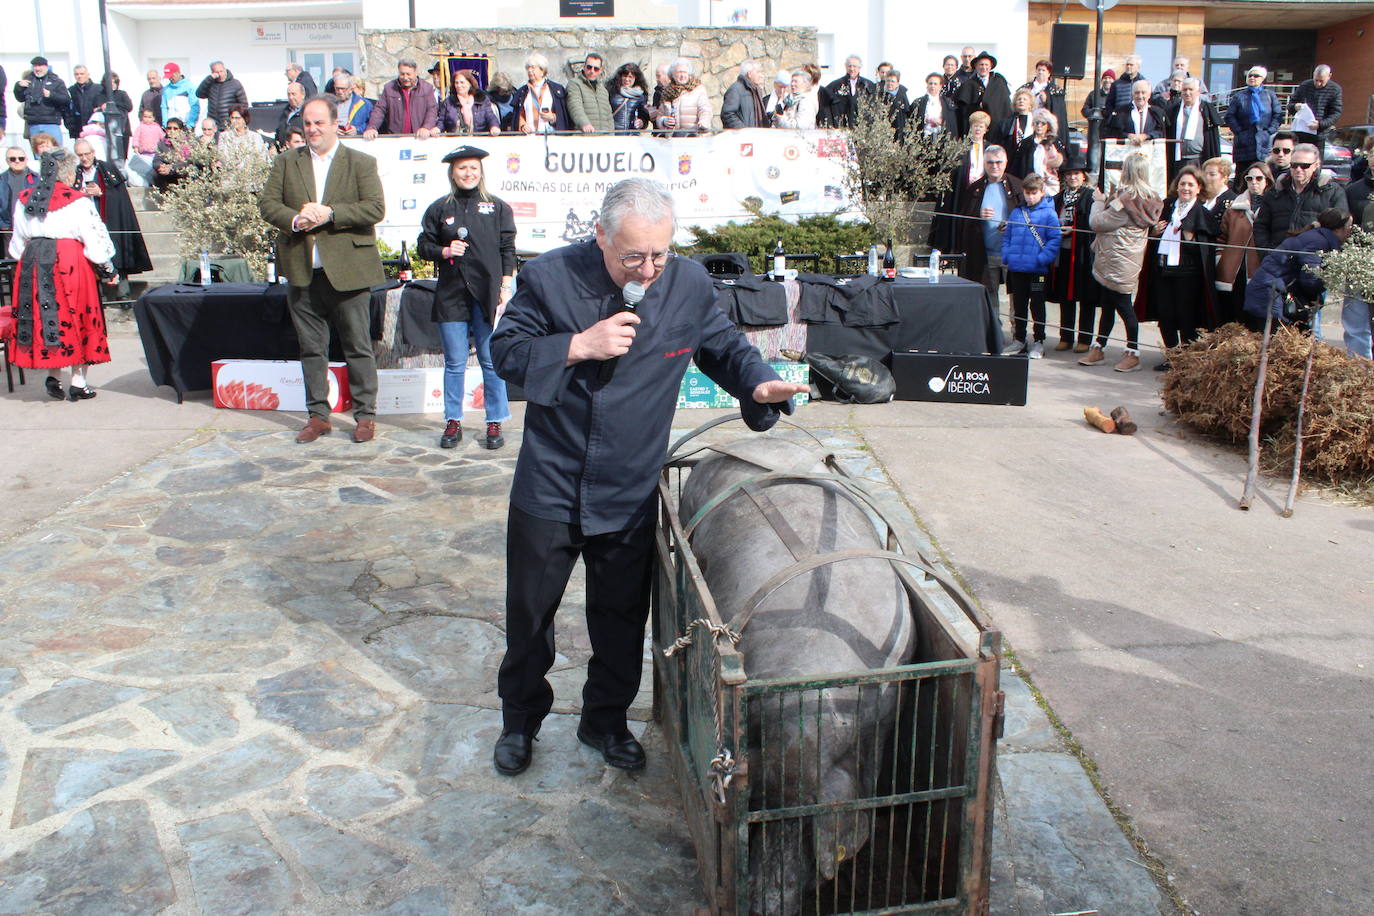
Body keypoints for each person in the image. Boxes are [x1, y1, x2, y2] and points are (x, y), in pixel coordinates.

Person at [487, 177, 805, 776]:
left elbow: (724, 347)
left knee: (620, 619)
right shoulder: (549, 277)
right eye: (633, 255)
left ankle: (603, 719)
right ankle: (519, 720)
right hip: (551, 482)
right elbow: (506, 354)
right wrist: (578, 345)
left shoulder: (685, 284)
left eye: (660, 252)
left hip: (631, 486)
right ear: (600, 235)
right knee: (529, 617)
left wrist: (758, 382)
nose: (649, 267)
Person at [259, 94, 385, 444]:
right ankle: (318, 416)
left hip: (349, 270)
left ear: (335, 124)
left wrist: (331, 214)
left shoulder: (360, 162)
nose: (312, 129)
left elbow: (374, 208)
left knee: (357, 346)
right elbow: (268, 205)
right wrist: (297, 220)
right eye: (307, 124)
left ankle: (365, 416)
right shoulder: (287, 162)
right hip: (302, 270)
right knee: (311, 348)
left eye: (319, 123)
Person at [416, 145, 516, 451]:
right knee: (455, 362)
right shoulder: (439, 208)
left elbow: (507, 248)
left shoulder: (498, 207)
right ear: (452, 172)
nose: (468, 173)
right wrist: (444, 251)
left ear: (481, 171)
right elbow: (423, 245)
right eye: (462, 168)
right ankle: (453, 421)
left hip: (487, 295)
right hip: (451, 295)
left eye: (473, 168)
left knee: (490, 361)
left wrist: (505, 286)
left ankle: (494, 420)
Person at [5, 149, 117, 400]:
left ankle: (54, 376)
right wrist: (108, 268)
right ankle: (78, 382)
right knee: (78, 315)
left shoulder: (24, 199)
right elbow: (95, 241)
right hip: (69, 261)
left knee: (48, 317)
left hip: (33, 261)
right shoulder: (77, 200)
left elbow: (16, 246)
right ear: (68, 172)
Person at [1078, 153, 1162, 372]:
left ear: (1128, 172)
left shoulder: (1126, 202)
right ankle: (1099, 347)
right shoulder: (1149, 199)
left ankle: (1133, 353)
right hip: (1127, 259)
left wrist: (1097, 202)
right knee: (1108, 304)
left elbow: (1096, 223)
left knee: (1124, 308)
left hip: (1117, 261)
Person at [1149, 165, 1216, 366]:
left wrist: (1191, 239)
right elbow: (1153, 238)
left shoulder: (1201, 212)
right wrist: (1153, 233)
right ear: (1176, 187)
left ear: (1198, 188)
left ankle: (1186, 358)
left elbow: (1206, 250)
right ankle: (1172, 355)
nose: (1186, 188)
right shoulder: (1167, 206)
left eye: (1190, 185)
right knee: (1165, 314)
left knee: (1186, 316)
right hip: (1163, 269)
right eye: (1182, 184)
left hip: (1188, 273)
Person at [73, 138, 152, 300]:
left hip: (110, 219)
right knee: (92, 258)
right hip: (87, 224)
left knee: (118, 253)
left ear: (93, 153)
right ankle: (97, 295)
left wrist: (101, 192)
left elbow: (119, 196)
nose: (84, 158)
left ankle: (123, 293)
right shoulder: (75, 173)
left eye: (87, 154)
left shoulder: (107, 169)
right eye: (80, 155)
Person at [1244, 209, 1351, 323]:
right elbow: (1310, 279)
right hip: (1270, 292)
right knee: (1273, 337)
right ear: (1339, 229)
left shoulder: (1318, 237)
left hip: (1271, 290)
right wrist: (1328, 281)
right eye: (1349, 227)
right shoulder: (1319, 242)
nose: (1351, 231)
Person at [1000, 174, 1062, 357]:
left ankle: (1039, 340)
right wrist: (1007, 256)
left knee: (1037, 305)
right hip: (1017, 268)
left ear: (1041, 192)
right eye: (1027, 193)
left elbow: (1054, 240)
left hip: (1037, 271)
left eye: (1034, 193)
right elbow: (1008, 237)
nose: (1030, 197)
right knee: (1018, 306)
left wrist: (1041, 259)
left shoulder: (1049, 214)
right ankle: (1019, 339)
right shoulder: (1017, 212)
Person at [1252, 143, 1348, 252]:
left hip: (1315, 258)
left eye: (1304, 166)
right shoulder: (1276, 192)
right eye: (1294, 165)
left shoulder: (1332, 191)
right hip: (1278, 257)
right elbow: (1261, 226)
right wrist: (1266, 253)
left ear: (1316, 165)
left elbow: (1340, 226)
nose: (1298, 169)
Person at [1047, 151, 1098, 352]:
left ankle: (1085, 338)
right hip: (1063, 252)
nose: (1072, 177)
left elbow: (1094, 224)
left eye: (1076, 173)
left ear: (1083, 175)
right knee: (1064, 296)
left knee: (1086, 297)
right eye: (1069, 174)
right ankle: (1066, 336)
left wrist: (1075, 230)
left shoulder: (1091, 196)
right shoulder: (1058, 198)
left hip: (1084, 253)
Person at [959, 144, 1024, 296]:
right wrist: (977, 214)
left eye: (998, 162)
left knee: (1018, 296)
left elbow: (1031, 217)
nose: (994, 166)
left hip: (1013, 253)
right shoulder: (975, 189)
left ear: (1006, 163)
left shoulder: (1018, 186)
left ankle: (1016, 321)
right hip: (985, 254)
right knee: (988, 296)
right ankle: (993, 321)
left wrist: (1013, 226)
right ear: (984, 164)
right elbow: (962, 221)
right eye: (990, 162)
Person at [1216, 162, 1272, 328]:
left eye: (1259, 178)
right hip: (1235, 271)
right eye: (1250, 178)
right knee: (1237, 317)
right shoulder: (1234, 208)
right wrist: (1220, 260)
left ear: (1267, 180)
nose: (1254, 182)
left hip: (1261, 270)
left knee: (1257, 319)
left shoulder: (1273, 205)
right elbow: (1222, 237)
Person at [1225, 66, 1282, 175]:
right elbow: (1229, 116)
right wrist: (1239, 132)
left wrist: (1269, 131)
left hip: (1264, 143)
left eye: (1256, 76)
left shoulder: (1269, 95)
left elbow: (1278, 115)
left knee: (1262, 175)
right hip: (1244, 144)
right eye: (1250, 75)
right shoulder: (1239, 96)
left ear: (1262, 78)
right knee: (1242, 177)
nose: (1252, 78)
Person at [1163, 78, 1221, 182]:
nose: (1187, 93)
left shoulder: (1206, 109)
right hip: (1178, 160)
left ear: (1198, 91)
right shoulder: (1173, 110)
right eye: (1184, 90)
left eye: (1191, 89)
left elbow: (1213, 136)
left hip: (1199, 160)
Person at [364, 59, 439, 139]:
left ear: (416, 73)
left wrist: (426, 127)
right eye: (402, 74)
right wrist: (372, 127)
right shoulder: (389, 88)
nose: (405, 77)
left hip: (419, 138)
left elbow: (432, 110)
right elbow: (379, 110)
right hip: (396, 138)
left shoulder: (427, 88)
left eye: (408, 74)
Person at [1289, 65, 1342, 156]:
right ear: (1313, 75)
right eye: (1316, 80)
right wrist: (1295, 107)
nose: (1318, 84)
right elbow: (1290, 105)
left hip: (1319, 134)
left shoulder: (1335, 89)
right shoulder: (1305, 85)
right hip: (1300, 131)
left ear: (1329, 76)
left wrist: (1320, 124)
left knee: (1315, 162)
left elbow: (1336, 113)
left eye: (1321, 81)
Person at [511, 53, 570, 135]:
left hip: (551, 138)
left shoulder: (556, 89)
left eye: (533, 67)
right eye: (528, 68)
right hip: (529, 138)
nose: (529, 70)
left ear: (542, 70)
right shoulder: (522, 92)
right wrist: (522, 125)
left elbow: (564, 116)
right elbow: (520, 115)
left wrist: (553, 118)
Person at [13, 57, 70, 143]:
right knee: (38, 153)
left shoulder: (56, 81)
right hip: (33, 123)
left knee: (56, 151)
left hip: (51, 123)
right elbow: (20, 98)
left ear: (46, 66)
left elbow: (66, 99)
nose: (37, 68)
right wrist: (18, 87)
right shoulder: (28, 81)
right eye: (35, 66)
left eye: (40, 66)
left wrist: (51, 95)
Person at [652, 59, 712, 135]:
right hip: (673, 139)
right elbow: (660, 116)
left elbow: (705, 110)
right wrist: (664, 121)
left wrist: (703, 123)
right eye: (679, 72)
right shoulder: (667, 92)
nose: (682, 75)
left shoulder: (698, 90)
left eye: (685, 72)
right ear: (672, 75)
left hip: (694, 137)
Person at [955, 51, 1012, 130]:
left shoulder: (999, 81)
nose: (984, 67)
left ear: (991, 66)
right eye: (981, 64)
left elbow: (1005, 105)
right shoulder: (969, 84)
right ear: (976, 66)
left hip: (996, 127)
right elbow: (964, 110)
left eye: (986, 65)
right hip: (977, 128)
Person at [439, 69, 501, 136]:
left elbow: (491, 117)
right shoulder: (448, 102)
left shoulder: (482, 100)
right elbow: (441, 121)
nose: (459, 85)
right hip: (456, 141)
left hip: (479, 140)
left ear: (470, 84)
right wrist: (437, 129)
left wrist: (494, 127)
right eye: (456, 83)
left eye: (462, 82)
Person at [0, 148, 38, 254]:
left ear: (26, 159)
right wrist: (3, 224)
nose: (17, 161)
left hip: (31, 226)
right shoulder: (1, 179)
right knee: (12, 262)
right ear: (7, 161)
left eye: (21, 158)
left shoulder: (37, 179)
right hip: (9, 228)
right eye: (13, 159)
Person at [821, 55, 874, 128]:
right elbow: (825, 105)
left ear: (859, 68)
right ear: (845, 67)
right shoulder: (835, 86)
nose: (852, 69)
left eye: (854, 66)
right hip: (842, 126)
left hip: (862, 127)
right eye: (849, 66)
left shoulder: (868, 85)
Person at [566, 53, 613, 134]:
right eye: (589, 67)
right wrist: (584, 124)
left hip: (604, 139)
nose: (592, 71)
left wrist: (612, 135)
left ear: (600, 70)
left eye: (596, 69)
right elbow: (575, 106)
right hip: (584, 137)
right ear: (584, 67)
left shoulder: (603, 90)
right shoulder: (574, 84)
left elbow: (609, 116)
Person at [196, 61, 248, 133]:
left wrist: (236, 120)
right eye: (217, 72)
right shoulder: (210, 84)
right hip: (213, 124)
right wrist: (209, 78)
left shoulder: (235, 84)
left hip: (228, 124)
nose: (220, 74)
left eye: (221, 71)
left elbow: (244, 105)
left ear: (225, 70)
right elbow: (199, 94)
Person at [1010, 109, 1062, 180]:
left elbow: (1062, 164)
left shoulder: (1055, 142)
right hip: (1031, 182)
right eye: (1036, 123)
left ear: (1048, 126)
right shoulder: (1026, 142)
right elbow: (1018, 165)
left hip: (1049, 181)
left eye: (1043, 123)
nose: (1039, 126)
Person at [1020, 59, 1068, 134]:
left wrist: (1046, 101)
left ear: (1049, 73)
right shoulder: (1026, 87)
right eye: (1039, 70)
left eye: (1043, 70)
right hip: (1028, 122)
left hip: (1044, 124)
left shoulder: (1055, 90)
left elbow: (1058, 112)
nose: (1040, 72)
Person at [720, 61, 767, 129]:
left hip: (756, 136)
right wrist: (743, 130)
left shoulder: (756, 90)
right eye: (758, 72)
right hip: (742, 138)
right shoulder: (735, 90)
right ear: (749, 74)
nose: (761, 75)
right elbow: (727, 114)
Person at [64, 66, 106, 141]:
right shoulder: (71, 90)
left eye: (82, 74)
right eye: (77, 74)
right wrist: (70, 126)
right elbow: (67, 110)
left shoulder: (99, 89)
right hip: (78, 130)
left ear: (88, 74)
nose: (79, 76)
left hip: (96, 130)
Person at [152, 118, 192, 191]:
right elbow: (156, 160)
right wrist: (161, 166)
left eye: (175, 129)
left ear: (180, 130)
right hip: (166, 172)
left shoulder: (187, 143)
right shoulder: (162, 143)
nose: (171, 131)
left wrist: (171, 168)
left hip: (180, 171)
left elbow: (188, 162)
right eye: (169, 128)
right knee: (156, 174)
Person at [608, 63, 650, 133]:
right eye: (625, 76)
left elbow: (644, 117)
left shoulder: (641, 96)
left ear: (635, 78)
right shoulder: (612, 92)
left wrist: (642, 123)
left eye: (630, 77)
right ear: (620, 77)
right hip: (613, 134)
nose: (627, 79)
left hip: (631, 136)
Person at [128, 109, 165, 186]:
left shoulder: (157, 128)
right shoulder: (140, 127)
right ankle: (146, 183)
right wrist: (135, 147)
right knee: (143, 169)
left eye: (149, 117)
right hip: (144, 153)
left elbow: (163, 138)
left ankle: (154, 182)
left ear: (153, 118)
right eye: (145, 117)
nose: (147, 119)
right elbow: (136, 137)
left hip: (155, 153)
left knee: (152, 169)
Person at [160, 63, 199, 131]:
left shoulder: (190, 87)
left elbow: (194, 107)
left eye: (172, 75)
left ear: (178, 73)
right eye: (168, 76)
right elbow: (164, 107)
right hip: (170, 127)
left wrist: (190, 124)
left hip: (185, 126)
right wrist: (165, 124)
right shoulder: (166, 89)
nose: (170, 78)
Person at [276, 82, 306, 150]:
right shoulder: (285, 112)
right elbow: (279, 131)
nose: (291, 97)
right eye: (288, 94)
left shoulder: (308, 112)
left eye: (293, 94)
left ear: (302, 95)